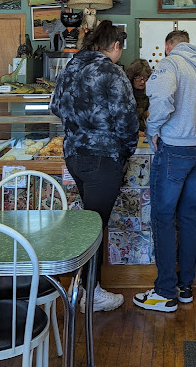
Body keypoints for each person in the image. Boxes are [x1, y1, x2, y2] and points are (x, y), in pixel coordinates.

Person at [51, 20, 139, 312]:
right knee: (95, 227)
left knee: (89, 222)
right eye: (119, 50)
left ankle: (85, 287)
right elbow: (127, 119)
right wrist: (126, 151)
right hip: (104, 158)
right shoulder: (112, 72)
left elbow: (55, 107)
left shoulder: (71, 67)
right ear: (115, 46)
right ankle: (91, 293)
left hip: (75, 155)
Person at [133, 30, 196, 312]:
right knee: (188, 217)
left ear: (167, 46)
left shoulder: (169, 64)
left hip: (175, 148)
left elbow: (161, 100)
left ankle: (164, 292)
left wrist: (152, 130)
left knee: (163, 217)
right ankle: (185, 287)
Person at [125, 58, 153, 133]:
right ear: (132, 77)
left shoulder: (148, 92)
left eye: (145, 78)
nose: (143, 81)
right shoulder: (125, 94)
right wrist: (136, 131)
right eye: (139, 78)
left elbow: (146, 114)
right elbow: (124, 119)